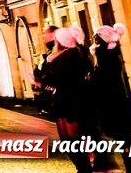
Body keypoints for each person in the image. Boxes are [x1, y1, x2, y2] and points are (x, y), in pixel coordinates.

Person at [42, 26, 98, 173]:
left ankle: (84, 169)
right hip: (64, 103)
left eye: (55, 40)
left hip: (72, 104)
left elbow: (57, 79)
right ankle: (83, 168)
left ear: (60, 42)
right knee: (69, 142)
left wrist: (43, 79)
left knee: (73, 143)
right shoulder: (63, 58)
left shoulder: (70, 58)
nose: (53, 42)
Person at [94, 24, 131, 173]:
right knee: (123, 137)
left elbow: (103, 80)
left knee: (123, 138)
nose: (93, 38)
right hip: (115, 101)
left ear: (102, 38)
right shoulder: (109, 54)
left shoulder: (105, 56)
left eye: (96, 35)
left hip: (112, 102)